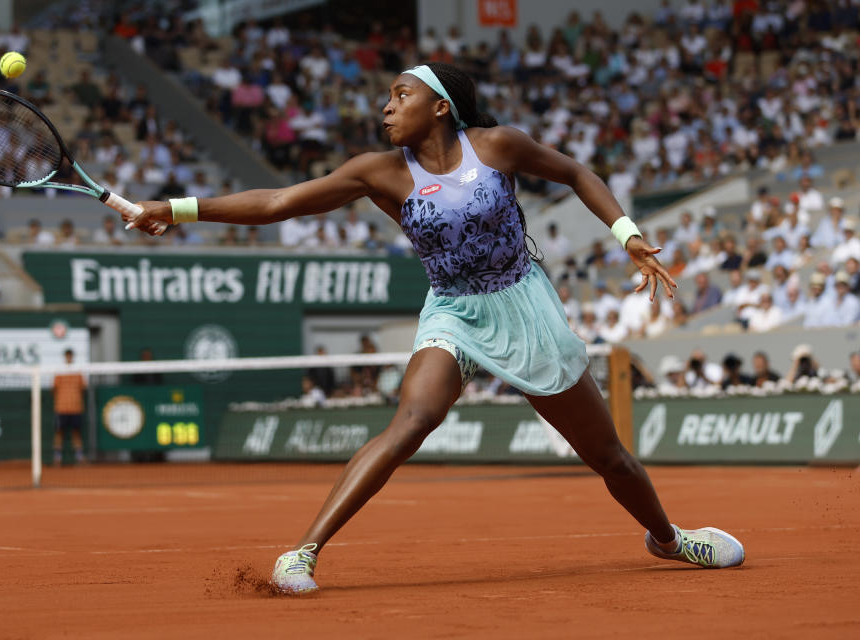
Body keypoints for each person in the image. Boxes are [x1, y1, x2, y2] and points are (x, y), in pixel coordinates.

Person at [123, 61, 743, 592]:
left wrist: (628, 235)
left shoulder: (498, 145)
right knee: (413, 419)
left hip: (523, 305)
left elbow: (577, 173)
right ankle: (302, 552)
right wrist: (175, 211)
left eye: (401, 96)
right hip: (452, 310)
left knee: (607, 456)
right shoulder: (379, 172)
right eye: (388, 98)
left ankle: (667, 538)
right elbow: (280, 202)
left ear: (441, 107)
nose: (386, 107)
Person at [52, 349, 86, 465]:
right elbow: (54, 388)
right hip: (61, 408)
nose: (69, 358)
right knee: (59, 432)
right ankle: (57, 458)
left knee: (76, 432)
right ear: (65, 357)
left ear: (73, 357)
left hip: (76, 408)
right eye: (67, 356)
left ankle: (79, 457)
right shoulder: (59, 371)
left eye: (70, 356)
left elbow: (83, 387)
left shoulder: (78, 372)